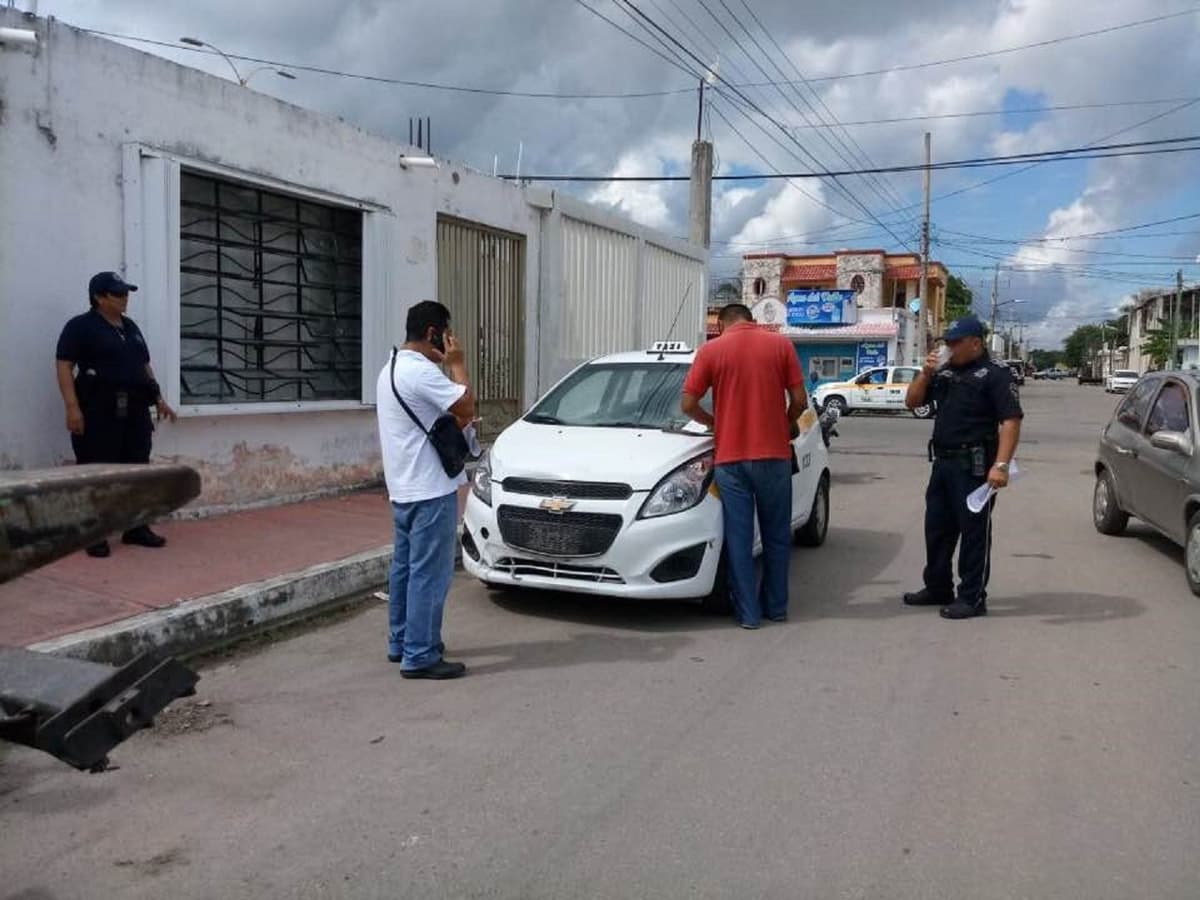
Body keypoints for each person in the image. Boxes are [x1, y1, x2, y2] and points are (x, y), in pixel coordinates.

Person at [681, 303, 807, 629]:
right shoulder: (781, 345)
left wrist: (716, 423)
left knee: (739, 539)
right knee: (777, 537)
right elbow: (801, 402)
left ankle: (749, 615)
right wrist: (784, 424)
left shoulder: (712, 350)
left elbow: (688, 404)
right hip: (774, 457)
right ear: (751, 320)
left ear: (722, 324)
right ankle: (777, 608)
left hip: (731, 460)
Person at [376, 300, 475, 680]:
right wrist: (458, 363)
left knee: (404, 569)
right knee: (429, 574)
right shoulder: (420, 372)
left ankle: (401, 641)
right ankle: (420, 653)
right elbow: (466, 404)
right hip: (430, 489)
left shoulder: (390, 369)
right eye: (447, 336)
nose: (449, 344)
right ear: (434, 333)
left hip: (403, 488)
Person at [903, 315, 1023, 619]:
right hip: (943, 463)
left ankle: (971, 597)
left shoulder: (996, 374)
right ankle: (938, 587)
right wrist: (926, 373)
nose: (950, 348)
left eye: (956, 342)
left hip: (975, 466)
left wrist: (1001, 465)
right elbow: (912, 402)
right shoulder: (942, 372)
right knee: (937, 529)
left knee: (974, 533)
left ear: (975, 343)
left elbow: (1010, 420)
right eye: (948, 342)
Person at [55, 271, 177, 558]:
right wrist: (72, 407)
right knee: (98, 471)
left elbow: (143, 365)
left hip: (134, 409)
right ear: (99, 297)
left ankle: (136, 528)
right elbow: (63, 366)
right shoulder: (80, 327)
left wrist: (158, 398)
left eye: (126, 293)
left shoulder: (130, 326)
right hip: (98, 409)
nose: (125, 298)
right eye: (118, 293)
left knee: (137, 469)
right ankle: (94, 533)